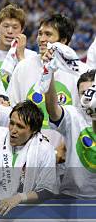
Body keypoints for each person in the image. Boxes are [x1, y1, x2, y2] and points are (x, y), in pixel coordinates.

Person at [7, 14, 89, 118]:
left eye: (48, 34)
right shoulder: (23, 67)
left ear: (63, 40)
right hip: (30, 133)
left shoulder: (81, 72)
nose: (41, 39)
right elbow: (12, 106)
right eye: (40, 34)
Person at [46, 69, 96, 199]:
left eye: (91, 92)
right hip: (73, 196)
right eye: (83, 93)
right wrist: (49, 76)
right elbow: (53, 111)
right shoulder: (73, 114)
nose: (87, 98)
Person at [0, 4, 37, 90]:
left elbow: (32, 87)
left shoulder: (31, 56)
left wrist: (21, 57)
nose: (10, 31)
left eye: (15, 27)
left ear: (22, 30)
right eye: (6, 26)